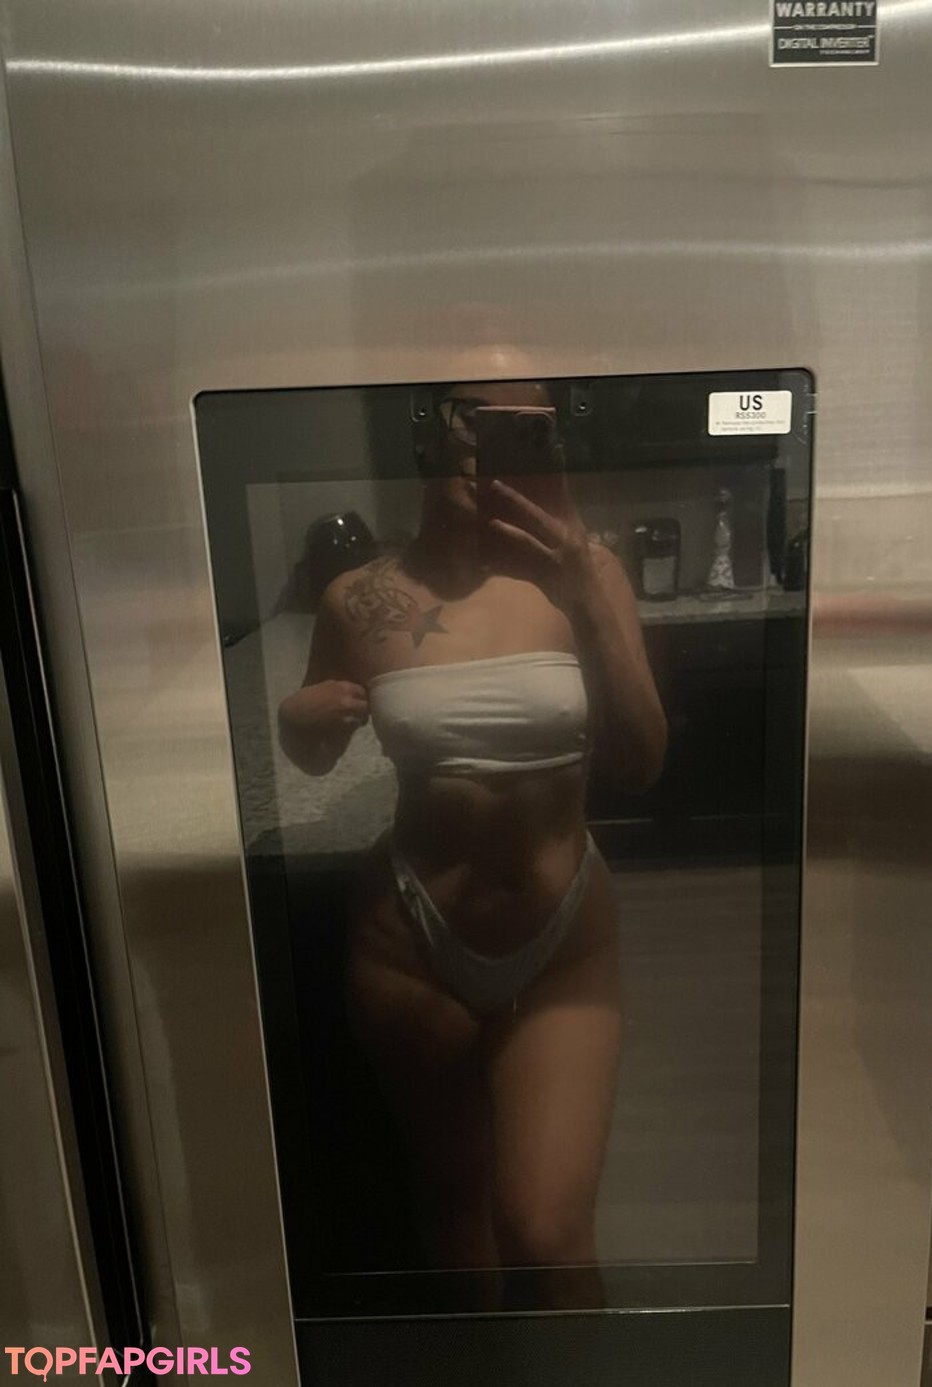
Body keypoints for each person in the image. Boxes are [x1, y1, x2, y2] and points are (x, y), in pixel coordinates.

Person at [278, 379, 666, 1307]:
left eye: (520, 425)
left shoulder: (587, 575)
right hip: (408, 946)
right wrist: (301, 719)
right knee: (457, 1217)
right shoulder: (357, 598)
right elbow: (316, 749)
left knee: (548, 1235)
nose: (485, 443)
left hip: (562, 944)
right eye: (469, 413)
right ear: (425, 430)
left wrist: (589, 594)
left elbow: (641, 762)